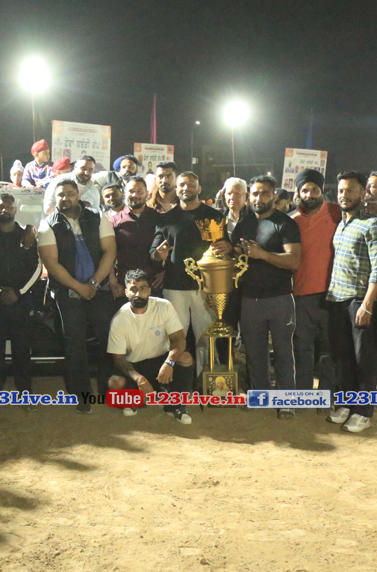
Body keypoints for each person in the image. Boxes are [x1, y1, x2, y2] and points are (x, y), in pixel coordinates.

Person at [38, 178, 118, 412]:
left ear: (78, 195)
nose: (65, 198)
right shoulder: (47, 224)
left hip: (99, 290)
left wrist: (93, 283)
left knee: (107, 340)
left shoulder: (98, 216)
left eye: (70, 193)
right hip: (67, 293)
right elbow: (51, 263)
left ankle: (107, 390)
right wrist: (79, 287)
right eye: (61, 194)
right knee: (74, 344)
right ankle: (81, 396)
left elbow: (110, 251)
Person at [325, 170, 377, 433]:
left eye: (351, 190)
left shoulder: (375, 225)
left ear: (363, 193)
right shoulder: (343, 223)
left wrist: (367, 304)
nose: (344, 195)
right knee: (342, 357)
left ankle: (363, 411)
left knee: (364, 358)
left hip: (359, 301)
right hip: (336, 299)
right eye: (341, 190)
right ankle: (346, 403)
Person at [230, 175, 302, 417]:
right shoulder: (244, 224)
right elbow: (236, 254)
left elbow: (294, 260)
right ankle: (260, 397)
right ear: (249, 196)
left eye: (264, 193)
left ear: (273, 195)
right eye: (255, 193)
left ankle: (286, 402)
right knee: (255, 352)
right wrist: (229, 251)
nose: (258, 198)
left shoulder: (285, 223)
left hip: (280, 298)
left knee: (283, 352)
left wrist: (263, 254)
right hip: (250, 298)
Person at [151, 171, 230, 379]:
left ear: (199, 189)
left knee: (206, 337)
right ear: (177, 189)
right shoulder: (166, 219)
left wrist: (228, 246)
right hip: (175, 286)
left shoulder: (214, 216)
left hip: (206, 287)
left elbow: (225, 246)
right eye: (182, 185)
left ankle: (206, 381)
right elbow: (154, 251)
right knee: (175, 337)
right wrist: (158, 255)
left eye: (191, 184)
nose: (186, 188)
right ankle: (177, 382)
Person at [0, 193, 42, 400]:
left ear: (15, 209)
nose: (5, 209)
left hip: (21, 301)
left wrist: (18, 293)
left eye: (9, 206)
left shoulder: (27, 235)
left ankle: (25, 390)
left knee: (22, 348)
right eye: (0, 207)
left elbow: (37, 267)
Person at [107, 269, 195, 424]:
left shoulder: (164, 306)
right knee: (115, 383)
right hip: (134, 365)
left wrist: (169, 362)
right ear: (126, 292)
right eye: (133, 289)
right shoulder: (119, 319)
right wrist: (139, 379)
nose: (138, 294)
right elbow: (118, 359)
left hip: (161, 361)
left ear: (149, 290)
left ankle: (176, 406)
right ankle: (136, 400)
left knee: (186, 358)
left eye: (143, 289)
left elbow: (179, 339)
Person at [290, 169, 341, 395]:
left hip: (332, 294)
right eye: (305, 190)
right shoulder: (291, 221)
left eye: (314, 189)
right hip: (301, 295)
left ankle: (326, 394)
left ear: (322, 191)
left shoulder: (337, 213)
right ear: (298, 192)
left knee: (329, 349)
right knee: (302, 348)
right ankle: (303, 394)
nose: (309, 194)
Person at [109, 177, 161, 297]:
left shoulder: (160, 218)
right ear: (124, 193)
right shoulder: (115, 221)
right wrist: (113, 281)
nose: (135, 195)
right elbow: (108, 253)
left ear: (147, 193)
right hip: (125, 284)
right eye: (131, 191)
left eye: (140, 191)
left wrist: (166, 273)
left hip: (155, 283)